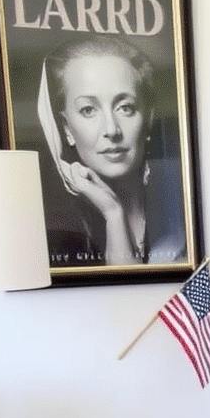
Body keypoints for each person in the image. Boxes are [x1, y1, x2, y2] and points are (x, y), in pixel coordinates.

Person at [38, 34, 187, 268]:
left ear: (147, 118)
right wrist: (114, 213)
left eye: (125, 107)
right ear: (66, 128)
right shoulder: (57, 228)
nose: (111, 130)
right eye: (88, 109)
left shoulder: (182, 192)